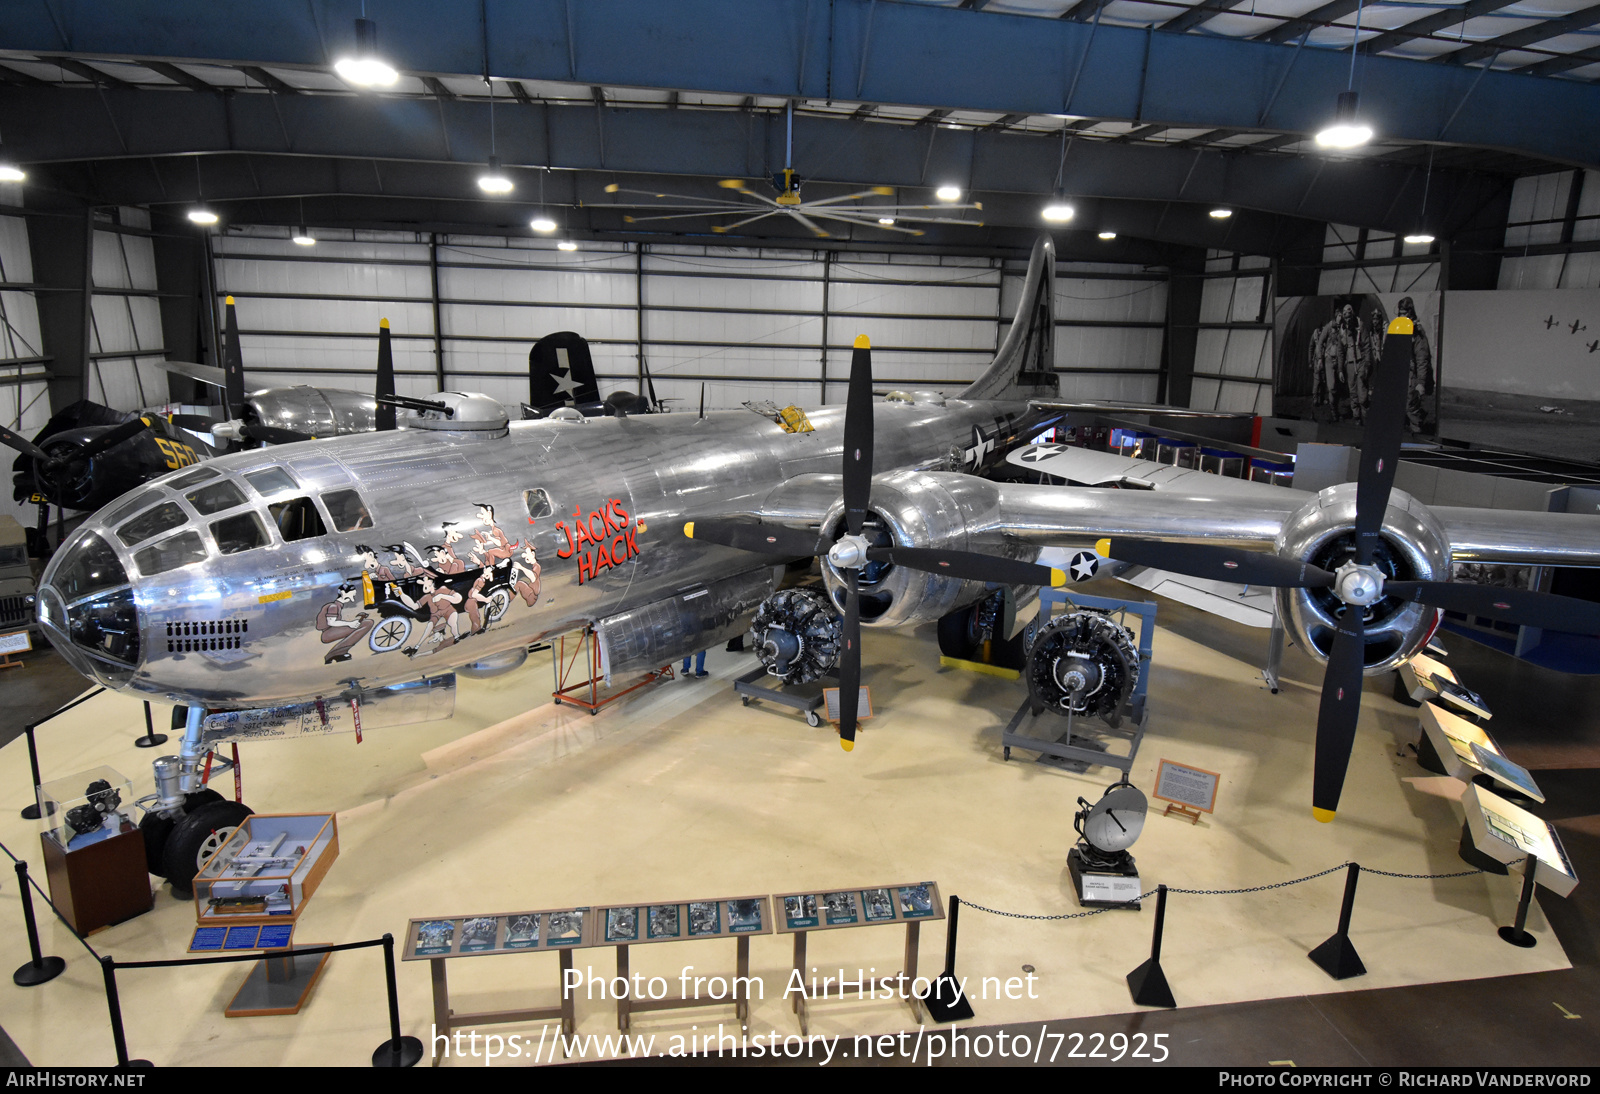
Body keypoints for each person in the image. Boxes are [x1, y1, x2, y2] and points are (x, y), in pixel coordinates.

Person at [1397, 296, 1435, 433]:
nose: (1402, 316)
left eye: (1404, 313)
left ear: (1410, 312)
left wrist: (1421, 382)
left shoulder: (1417, 333)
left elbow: (1422, 360)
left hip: (1414, 375)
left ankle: (1417, 431)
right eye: (1400, 313)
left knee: (1410, 406)